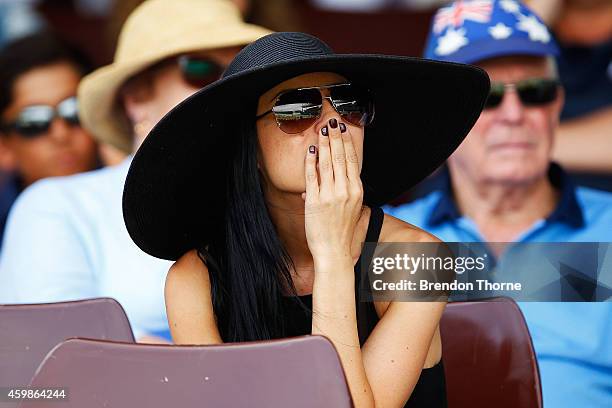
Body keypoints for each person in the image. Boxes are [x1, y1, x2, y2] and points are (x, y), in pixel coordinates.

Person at [122, 32, 489, 406]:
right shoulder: (195, 278)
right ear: (250, 148)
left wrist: (331, 254)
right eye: (296, 108)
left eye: (349, 104)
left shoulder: (418, 259)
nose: (335, 123)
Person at [0, 0, 271, 342]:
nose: (225, 89)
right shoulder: (56, 205)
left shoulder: (278, 200)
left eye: (239, 74)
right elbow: (52, 353)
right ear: (136, 97)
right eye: (200, 69)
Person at [388, 1, 612, 406]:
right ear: (440, 117)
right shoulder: (384, 238)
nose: (514, 114)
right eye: (486, 97)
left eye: (535, 93)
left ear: (557, 104)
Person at [0, 32, 98, 244]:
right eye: (34, 121)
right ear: (4, 147)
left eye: (74, 109)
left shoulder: (142, 204)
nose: (61, 134)